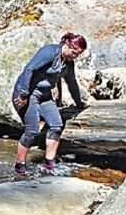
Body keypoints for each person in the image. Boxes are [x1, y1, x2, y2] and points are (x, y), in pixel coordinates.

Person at [11, 32, 90, 174]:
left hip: (45, 96)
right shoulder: (50, 52)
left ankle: (49, 162)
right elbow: (29, 69)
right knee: (32, 130)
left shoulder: (68, 64)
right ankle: (19, 165)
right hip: (28, 94)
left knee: (56, 125)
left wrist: (79, 103)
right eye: (73, 52)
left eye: (78, 55)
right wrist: (23, 94)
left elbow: (72, 84)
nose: (74, 57)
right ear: (66, 45)